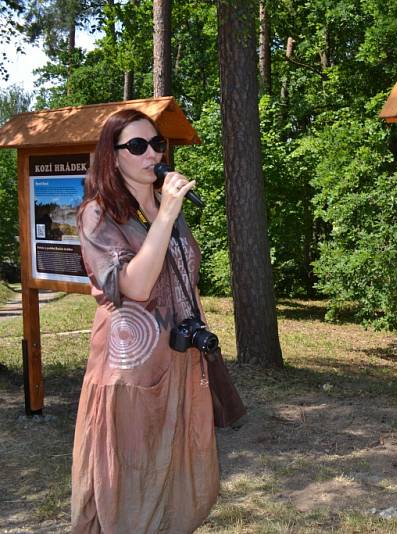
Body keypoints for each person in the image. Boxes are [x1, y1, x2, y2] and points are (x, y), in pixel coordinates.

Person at [71, 109, 219, 533]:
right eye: (137, 146)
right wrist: (166, 213)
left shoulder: (164, 208)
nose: (151, 153)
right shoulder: (98, 215)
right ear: (112, 157)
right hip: (131, 364)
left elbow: (184, 273)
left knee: (174, 454)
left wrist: (165, 210)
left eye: (157, 144)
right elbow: (134, 285)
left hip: (178, 353)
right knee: (132, 462)